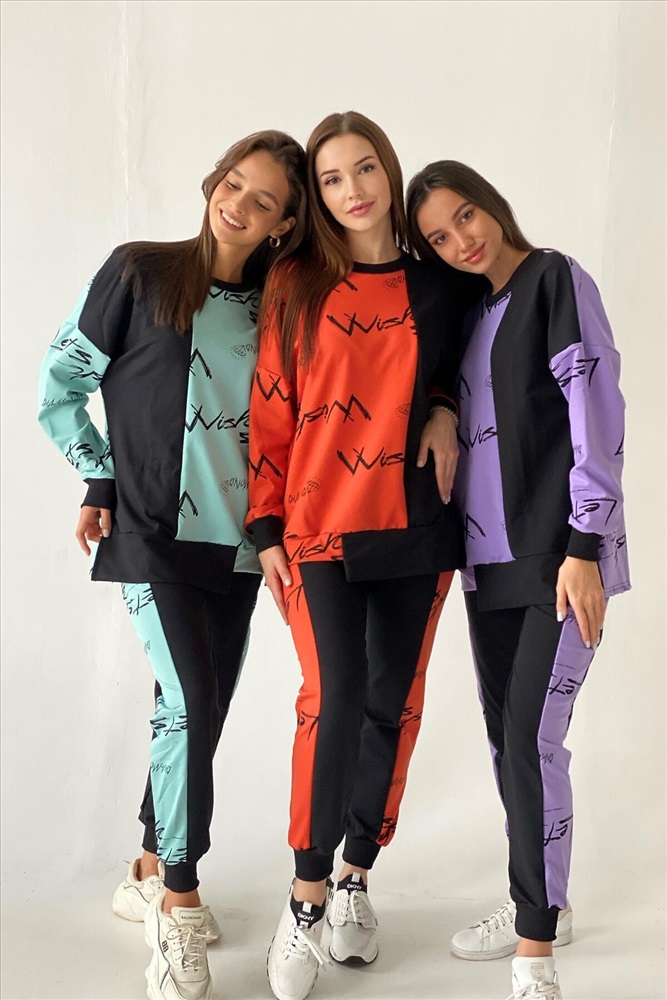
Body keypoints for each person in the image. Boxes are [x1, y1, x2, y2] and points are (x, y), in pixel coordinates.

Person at [38, 130, 307, 1000]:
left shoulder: (277, 304)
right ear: (213, 182)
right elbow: (59, 385)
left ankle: (148, 864)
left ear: (283, 223)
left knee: (199, 710)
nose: (239, 205)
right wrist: (99, 477)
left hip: (240, 546)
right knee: (189, 702)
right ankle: (179, 902)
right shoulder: (140, 273)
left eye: (263, 200)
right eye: (234, 184)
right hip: (152, 533)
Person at [245, 112, 469, 1000]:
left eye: (365, 168)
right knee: (331, 696)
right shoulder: (295, 280)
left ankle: (354, 876)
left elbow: (456, 370)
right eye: (332, 178)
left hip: (413, 521)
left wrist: (445, 406)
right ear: (317, 194)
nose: (353, 190)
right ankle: (305, 894)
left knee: (392, 704)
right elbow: (271, 404)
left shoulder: (436, 284)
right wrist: (264, 525)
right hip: (316, 525)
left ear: (388, 170)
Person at [406, 160, 630, 1000]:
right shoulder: (470, 316)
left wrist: (585, 543)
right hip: (486, 566)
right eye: (438, 237)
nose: (460, 241)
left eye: (465, 216)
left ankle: (533, 954)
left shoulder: (552, 279)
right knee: (512, 743)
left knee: (532, 739)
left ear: (491, 206)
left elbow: (595, 410)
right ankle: (543, 900)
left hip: (559, 556)